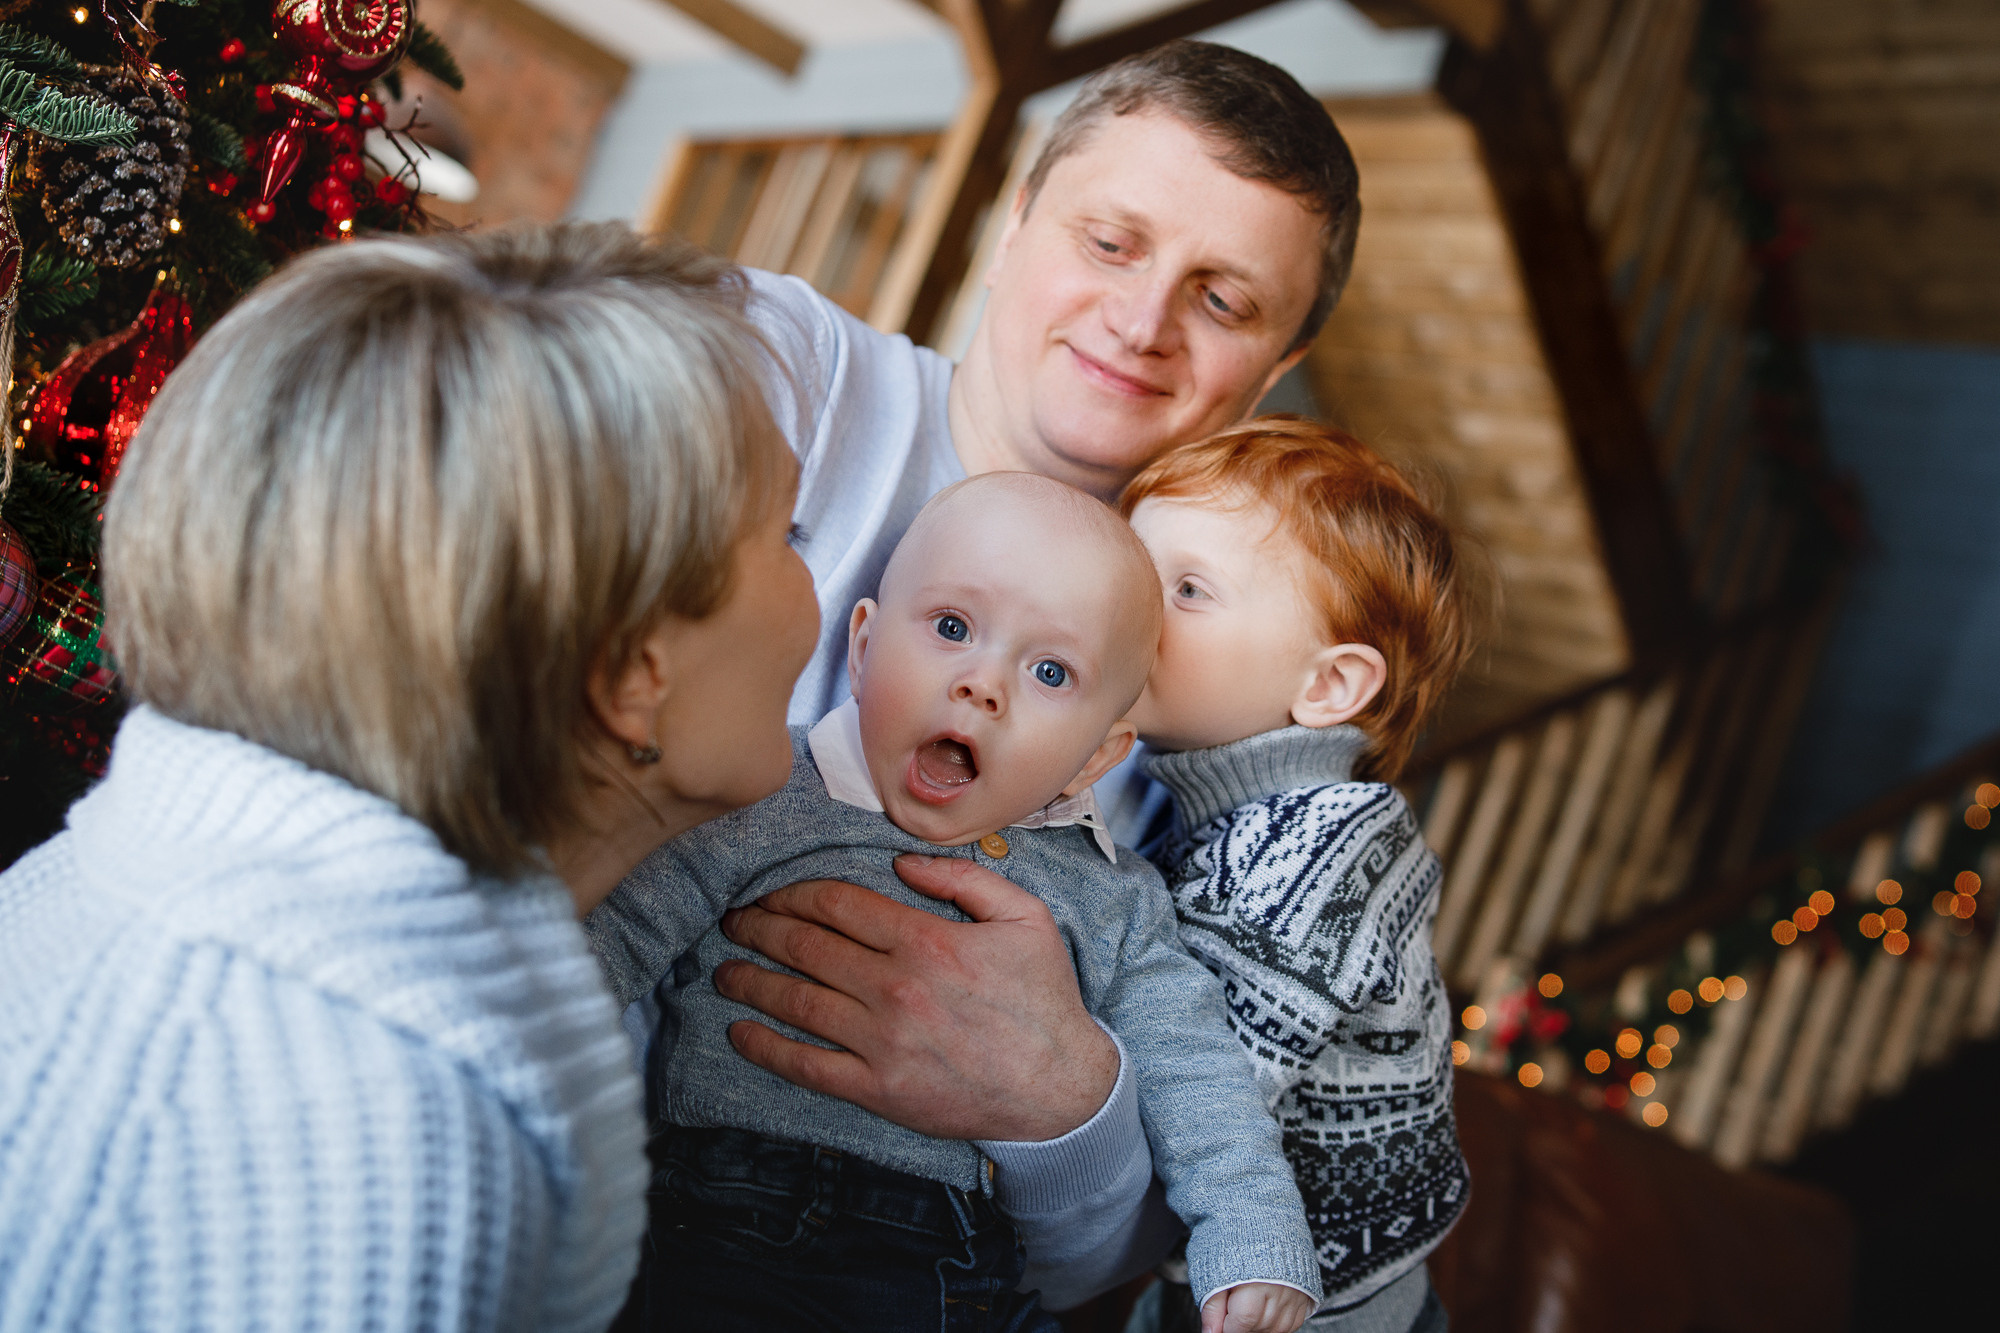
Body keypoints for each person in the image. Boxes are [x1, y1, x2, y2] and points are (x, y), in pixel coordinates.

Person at [625, 40, 1367, 1296]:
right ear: (1019, 215)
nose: (1141, 324)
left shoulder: (1194, 707)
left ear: (1276, 369)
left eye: (1223, 300)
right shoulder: (794, 375)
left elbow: (1094, 1270)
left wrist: (1061, 1103)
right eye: (1110, 241)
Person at [0, 223, 823, 1331]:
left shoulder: (150, 914)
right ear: (631, 667)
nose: (823, 598)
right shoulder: (371, 1134)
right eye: (788, 532)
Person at [591, 473, 1321, 1333]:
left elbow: (1196, 1073)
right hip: (721, 1214)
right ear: (862, 649)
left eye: (1050, 670)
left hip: (961, 1263)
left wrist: (1252, 1231)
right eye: (951, 627)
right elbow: (610, 944)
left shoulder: (1115, 895)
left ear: (1096, 757)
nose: (983, 684)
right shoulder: (768, 788)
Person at [1113, 418, 1474, 1333]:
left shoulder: (1324, 844)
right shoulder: (1223, 824)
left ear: (1326, 687)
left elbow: (1197, 1089)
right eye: (1126, 565)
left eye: (1187, 589)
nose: (1124, 603)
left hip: (1321, 1308)